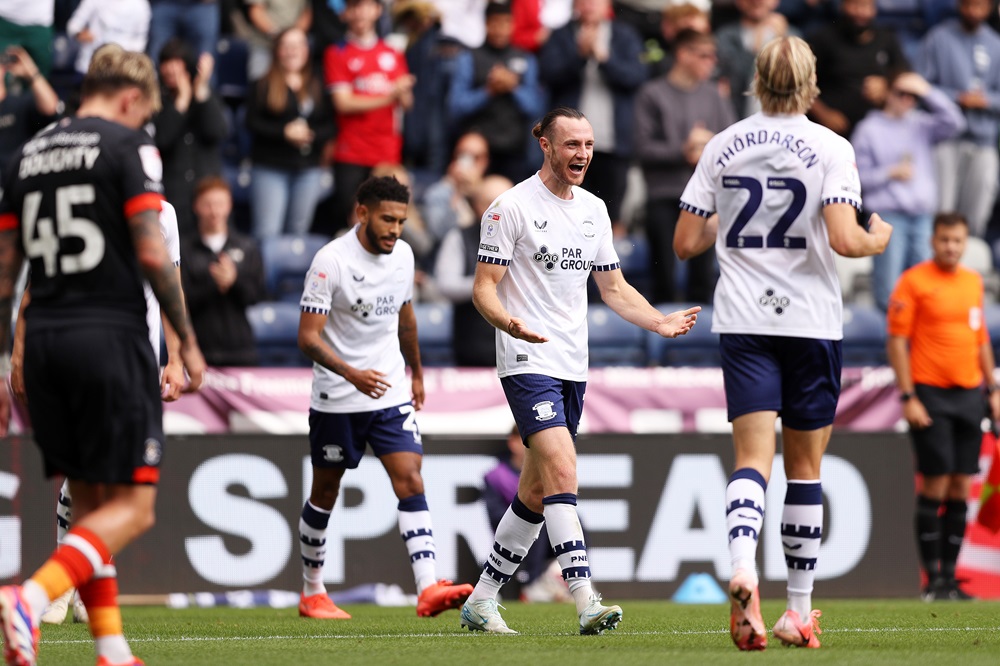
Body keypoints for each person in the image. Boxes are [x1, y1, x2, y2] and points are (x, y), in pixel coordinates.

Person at [674, 36, 892, 650]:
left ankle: (743, 567)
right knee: (805, 468)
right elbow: (846, 241)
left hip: (743, 319)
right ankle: (798, 611)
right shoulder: (831, 146)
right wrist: (878, 238)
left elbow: (686, 243)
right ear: (811, 84)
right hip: (811, 321)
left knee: (751, 459)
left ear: (757, 80)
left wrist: (741, 216)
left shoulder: (723, 144)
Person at [0, 44, 206, 666]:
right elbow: (151, 253)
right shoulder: (126, 147)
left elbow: (8, 272)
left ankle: (112, 649)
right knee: (132, 506)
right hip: (109, 337)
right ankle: (31, 598)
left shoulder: (25, 157)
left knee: (89, 501)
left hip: (47, 343)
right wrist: (186, 341)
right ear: (131, 97)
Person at [463, 106, 700, 635]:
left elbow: (613, 288)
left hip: (573, 363)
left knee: (534, 491)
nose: (583, 154)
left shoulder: (594, 209)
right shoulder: (510, 208)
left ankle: (482, 599)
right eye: (571, 144)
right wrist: (510, 323)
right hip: (527, 358)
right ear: (543, 143)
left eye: (588, 145)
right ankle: (586, 598)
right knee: (564, 474)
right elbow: (484, 287)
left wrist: (658, 323)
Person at [12, 201, 202, 627]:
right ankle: (47, 590)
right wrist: (18, 353)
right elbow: (36, 283)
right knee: (121, 493)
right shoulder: (75, 202)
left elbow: (170, 283)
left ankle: (80, 598)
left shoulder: (162, 213)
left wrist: (174, 357)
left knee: (97, 483)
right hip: (96, 354)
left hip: (123, 356)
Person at [295, 175, 474, 621]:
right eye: (387, 219)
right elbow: (307, 338)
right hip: (338, 395)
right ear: (363, 213)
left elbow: (406, 319)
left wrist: (416, 372)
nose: (395, 229)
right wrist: (352, 374)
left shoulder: (404, 255)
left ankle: (428, 586)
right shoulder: (329, 262)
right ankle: (312, 591)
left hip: (390, 390)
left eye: (401, 220)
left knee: (410, 478)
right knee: (325, 491)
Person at [886, 212, 1000, 602]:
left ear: (965, 242)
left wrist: (994, 389)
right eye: (945, 240)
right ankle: (931, 580)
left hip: (970, 394)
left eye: (958, 240)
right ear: (933, 241)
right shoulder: (914, 281)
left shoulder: (972, 281)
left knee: (961, 485)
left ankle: (951, 578)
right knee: (934, 484)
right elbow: (897, 341)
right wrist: (908, 396)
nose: (951, 247)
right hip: (930, 394)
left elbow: (980, 337)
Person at [634, 28, 736, 304]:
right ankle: (663, 341)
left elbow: (732, 145)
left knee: (702, 281)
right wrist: (684, 150)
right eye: (704, 56)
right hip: (664, 195)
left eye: (713, 56)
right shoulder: (651, 93)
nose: (711, 62)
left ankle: (697, 343)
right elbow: (642, 148)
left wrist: (706, 150)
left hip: (704, 197)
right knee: (663, 278)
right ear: (682, 54)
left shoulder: (715, 95)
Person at [851, 70, 965, 311]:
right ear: (888, 94)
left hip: (922, 216)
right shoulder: (868, 128)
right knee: (889, 291)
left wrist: (927, 90)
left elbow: (956, 122)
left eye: (912, 96)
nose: (908, 100)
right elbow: (854, 178)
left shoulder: (921, 123)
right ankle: (889, 345)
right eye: (902, 93)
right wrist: (888, 172)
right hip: (888, 216)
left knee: (925, 289)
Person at [539, 0, 648, 232]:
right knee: (565, 210)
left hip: (614, 141)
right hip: (568, 145)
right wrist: (579, 56)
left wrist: (604, 58)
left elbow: (637, 76)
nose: (588, 6)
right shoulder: (562, 34)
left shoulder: (624, 34)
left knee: (611, 216)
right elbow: (548, 74)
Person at [322, 0, 414, 236]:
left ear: (377, 10)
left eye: (364, 5)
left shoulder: (392, 54)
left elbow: (407, 104)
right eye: (353, 6)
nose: (359, 12)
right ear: (345, 13)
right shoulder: (337, 52)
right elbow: (344, 103)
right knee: (355, 223)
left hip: (386, 152)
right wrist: (390, 94)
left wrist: (403, 92)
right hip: (351, 152)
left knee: (387, 222)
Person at [917, 0, 1000, 239]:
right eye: (968, 5)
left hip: (983, 140)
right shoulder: (938, 38)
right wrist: (956, 97)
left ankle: (968, 269)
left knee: (978, 210)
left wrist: (987, 101)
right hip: (946, 138)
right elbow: (921, 87)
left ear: (989, 9)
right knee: (941, 208)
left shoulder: (996, 43)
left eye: (980, 6)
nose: (973, 11)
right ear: (959, 6)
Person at [245, 26, 335, 239]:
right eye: (286, 46)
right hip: (270, 168)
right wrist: (284, 132)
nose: (292, 51)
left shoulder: (318, 85)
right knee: (267, 234)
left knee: (298, 236)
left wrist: (309, 133)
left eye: (297, 45)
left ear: (306, 50)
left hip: (308, 170)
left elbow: (330, 126)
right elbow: (251, 123)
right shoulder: (261, 85)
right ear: (277, 51)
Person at [447, 0, 544, 184]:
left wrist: (513, 87)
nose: (500, 29)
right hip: (476, 151)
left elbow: (535, 106)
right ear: (486, 23)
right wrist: (488, 91)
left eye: (506, 22)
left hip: (514, 152)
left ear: (513, 24)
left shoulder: (526, 58)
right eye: (495, 22)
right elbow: (456, 106)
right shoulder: (469, 57)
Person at [481, 425, 572, 602]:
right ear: (513, 443)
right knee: (538, 517)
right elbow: (495, 515)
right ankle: (534, 582)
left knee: (574, 521)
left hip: (545, 540)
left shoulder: (547, 473)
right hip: (515, 532)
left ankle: (570, 577)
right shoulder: (496, 476)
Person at [182, 176, 266, 366]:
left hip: (241, 350)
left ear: (229, 205)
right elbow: (180, 299)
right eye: (208, 205)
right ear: (196, 206)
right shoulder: (183, 249)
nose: (214, 212)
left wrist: (234, 281)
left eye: (220, 204)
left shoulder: (247, 247)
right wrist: (214, 283)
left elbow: (257, 295)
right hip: (198, 351)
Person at [433, 174, 513, 367]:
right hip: (475, 350)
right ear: (480, 207)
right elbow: (446, 285)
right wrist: (487, 283)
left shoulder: (527, 236)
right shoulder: (459, 237)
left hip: (521, 350)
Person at [153, 38, 228, 235]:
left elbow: (217, 131)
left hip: (205, 195)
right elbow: (162, 140)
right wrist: (181, 102)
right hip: (173, 194)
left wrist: (200, 90)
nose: (173, 75)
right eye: (167, 69)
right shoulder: (156, 101)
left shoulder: (206, 96)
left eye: (178, 69)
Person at [806, 0, 909, 137]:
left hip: (878, 134)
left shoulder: (887, 39)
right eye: (855, 5)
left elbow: (907, 78)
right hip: (830, 133)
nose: (861, 12)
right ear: (843, 6)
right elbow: (801, 83)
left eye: (867, 6)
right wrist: (824, 115)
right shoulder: (822, 39)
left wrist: (887, 85)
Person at [0, 45, 60, 173]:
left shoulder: (21, 103)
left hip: (16, 179)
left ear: (2, 68)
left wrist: (31, 73)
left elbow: (51, 108)